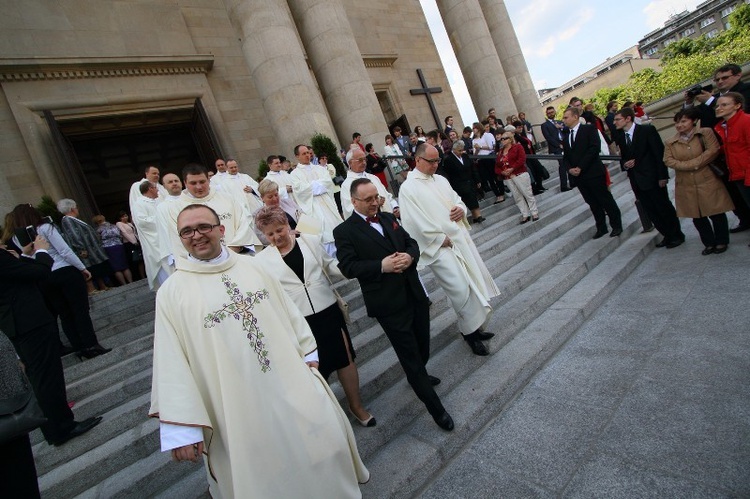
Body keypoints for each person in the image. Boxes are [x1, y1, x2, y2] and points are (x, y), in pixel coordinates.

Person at [149, 204, 368, 498]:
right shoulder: (172, 292)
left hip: (288, 381)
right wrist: (182, 428)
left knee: (321, 445)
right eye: (187, 231)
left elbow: (288, 311)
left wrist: (308, 355)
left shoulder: (254, 266)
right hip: (232, 403)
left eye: (204, 227)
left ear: (221, 230)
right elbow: (170, 359)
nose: (196, 235)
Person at [333, 178, 454, 431]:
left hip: (414, 294)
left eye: (376, 197)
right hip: (388, 304)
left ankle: (416, 375)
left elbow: (411, 243)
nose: (374, 203)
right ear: (354, 201)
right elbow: (347, 266)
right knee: (409, 355)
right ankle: (437, 410)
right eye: (368, 200)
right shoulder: (344, 231)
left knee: (422, 344)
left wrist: (410, 256)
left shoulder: (389, 218)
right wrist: (381, 266)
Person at [254, 206, 374, 427]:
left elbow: (332, 266)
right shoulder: (261, 261)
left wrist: (357, 267)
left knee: (345, 358)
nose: (276, 237)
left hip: (327, 309)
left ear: (288, 225)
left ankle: (356, 405)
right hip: (299, 321)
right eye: (270, 234)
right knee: (315, 368)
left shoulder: (310, 241)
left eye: (280, 230)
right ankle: (329, 413)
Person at [0, 235, 102, 447]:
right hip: (29, 323)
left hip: (21, 324)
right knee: (47, 377)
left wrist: (24, 256)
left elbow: (20, 275)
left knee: (41, 377)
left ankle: (56, 426)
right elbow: (39, 273)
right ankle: (62, 427)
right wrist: (41, 251)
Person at [399, 143, 500, 356]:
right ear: (417, 160)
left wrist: (460, 210)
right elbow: (412, 222)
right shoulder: (408, 188)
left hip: (459, 240)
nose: (436, 165)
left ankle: (474, 329)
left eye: (438, 161)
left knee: (472, 283)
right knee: (460, 289)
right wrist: (437, 239)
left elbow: (457, 200)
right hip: (439, 248)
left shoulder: (441, 179)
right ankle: (469, 334)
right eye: (431, 161)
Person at [4, 205, 111, 360]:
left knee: (65, 314)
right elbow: (64, 250)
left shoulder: (17, 237)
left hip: (45, 275)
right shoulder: (46, 228)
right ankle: (91, 344)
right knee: (80, 311)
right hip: (64, 270)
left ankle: (79, 348)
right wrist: (82, 267)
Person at [157, 163, 261, 262]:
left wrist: (232, 250)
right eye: (193, 183)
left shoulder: (227, 199)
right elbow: (178, 241)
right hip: (202, 264)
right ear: (185, 183)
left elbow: (243, 224)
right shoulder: (176, 209)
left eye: (202, 182)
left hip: (238, 256)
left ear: (208, 180)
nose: (199, 187)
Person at [664, 108, 734, 255]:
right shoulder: (671, 142)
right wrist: (688, 165)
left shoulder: (705, 133)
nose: (679, 125)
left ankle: (722, 240)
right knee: (696, 215)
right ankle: (708, 243)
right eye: (677, 122)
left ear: (693, 121)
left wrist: (694, 163)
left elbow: (712, 151)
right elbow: (668, 160)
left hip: (707, 178)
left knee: (716, 211)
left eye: (683, 121)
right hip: (686, 183)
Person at [613, 106, 684, 248]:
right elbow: (623, 159)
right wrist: (625, 164)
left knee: (663, 207)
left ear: (628, 118)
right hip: (637, 181)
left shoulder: (646, 130)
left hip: (653, 177)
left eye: (617, 119)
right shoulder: (621, 137)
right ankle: (666, 235)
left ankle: (676, 235)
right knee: (650, 210)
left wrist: (662, 176)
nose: (614, 122)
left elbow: (659, 153)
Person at [562, 106, 623, 239]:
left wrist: (581, 167)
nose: (564, 120)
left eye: (566, 117)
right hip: (580, 178)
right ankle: (601, 227)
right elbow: (566, 156)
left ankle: (616, 225)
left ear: (575, 117)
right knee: (592, 203)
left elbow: (594, 148)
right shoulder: (566, 136)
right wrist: (570, 169)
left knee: (605, 200)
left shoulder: (588, 129)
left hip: (593, 172)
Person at [290, 145, 343, 257]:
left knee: (337, 234)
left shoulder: (320, 168)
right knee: (320, 241)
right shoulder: (294, 174)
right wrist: (318, 185)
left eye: (308, 153)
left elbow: (328, 183)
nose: (308, 155)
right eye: (304, 154)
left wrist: (312, 187)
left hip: (327, 206)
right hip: (311, 209)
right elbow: (300, 191)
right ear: (297, 156)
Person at [57, 199, 112, 293]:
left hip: (91, 248)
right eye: (76, 207)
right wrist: (81, 248)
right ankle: (92, 289)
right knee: (90, 268)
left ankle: (102, 285)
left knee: (96, 267)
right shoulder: (68, 220)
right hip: (85, 250)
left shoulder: (72, 219)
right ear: (72, 209)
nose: (77, 209)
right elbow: (74, 235)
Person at [714, 93, 750, 217]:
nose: (719, 108)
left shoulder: (746, 121)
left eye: (724, 105)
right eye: (717, 105)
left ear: (737, 106)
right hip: (738, 175)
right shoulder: (724, 127)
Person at [132, 181, 173, 290]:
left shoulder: (157, 202)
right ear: (150, 189)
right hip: (155, 242)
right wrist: (162, 220)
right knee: (163, 269)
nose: (158, 190)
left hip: (166, 238)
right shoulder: (139, 203)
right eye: (156, 188)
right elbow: (142, 221)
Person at [340, 148, 398, 220]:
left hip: (389, 219)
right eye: (360, 160)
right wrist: (375, 204)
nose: (364, 162)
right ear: (350, 163)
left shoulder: (373, 178)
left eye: (365, 159)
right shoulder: (347, 185)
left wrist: (395, 207)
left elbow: (387, 195)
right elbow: (350, 210)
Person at [496, 131, 539, 224]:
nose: (502, 140)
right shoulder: (500, 152)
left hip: (519, 174)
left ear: (510, 139)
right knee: (517, 196)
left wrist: (512, 168)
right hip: (508, 178)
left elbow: (521, 159)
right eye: (501, 139)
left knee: (527, 193)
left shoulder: (517, 147)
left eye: (505, 138)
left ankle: (534, 212)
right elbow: (497, 166)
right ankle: (525, 214)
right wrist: (502, 172)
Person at [442, 140, 483, 224]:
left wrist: (477, 180)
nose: (461, 152)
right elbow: (448, 174)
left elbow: (473, 169)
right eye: (459, 150)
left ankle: (478, 216)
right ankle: (474, 217)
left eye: (462, 150)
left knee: (473, 198)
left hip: (469, 181)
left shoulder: (465, 156)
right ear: (454, 150)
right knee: (466, 200)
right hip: (458, 184)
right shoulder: (448, 160)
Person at [93, 215, 133, 286]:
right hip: (119, 245)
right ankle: (131, 282)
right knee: (124, 265)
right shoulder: (114, 226)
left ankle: (124, 284)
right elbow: (120, 235)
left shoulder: (98, 229)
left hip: (108, 248)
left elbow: (97, 240)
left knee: (116, 268)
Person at [472, 121, 504, 204]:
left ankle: (502, 193)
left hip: (489, 158)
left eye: (474, 128)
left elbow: (492, 147)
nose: (473, 130)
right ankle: (497, 195)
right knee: (489, 179)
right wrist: (477, 150)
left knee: (496, 176)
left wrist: (481, 147)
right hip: (481, 160)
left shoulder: (487, 135)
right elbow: (475, 153)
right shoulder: (474, 140)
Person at [116, 210, 145, 280]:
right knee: (134, 260)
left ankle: (143, 275)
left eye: (126, 216)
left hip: (136, 241)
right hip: (129, 243)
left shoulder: (129, 224)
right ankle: (136, 276)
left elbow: (134, 233)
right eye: (122, 217)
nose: (125, 218)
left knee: (140, 259)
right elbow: (124, 233)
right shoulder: (119, 223)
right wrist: (133, 242)